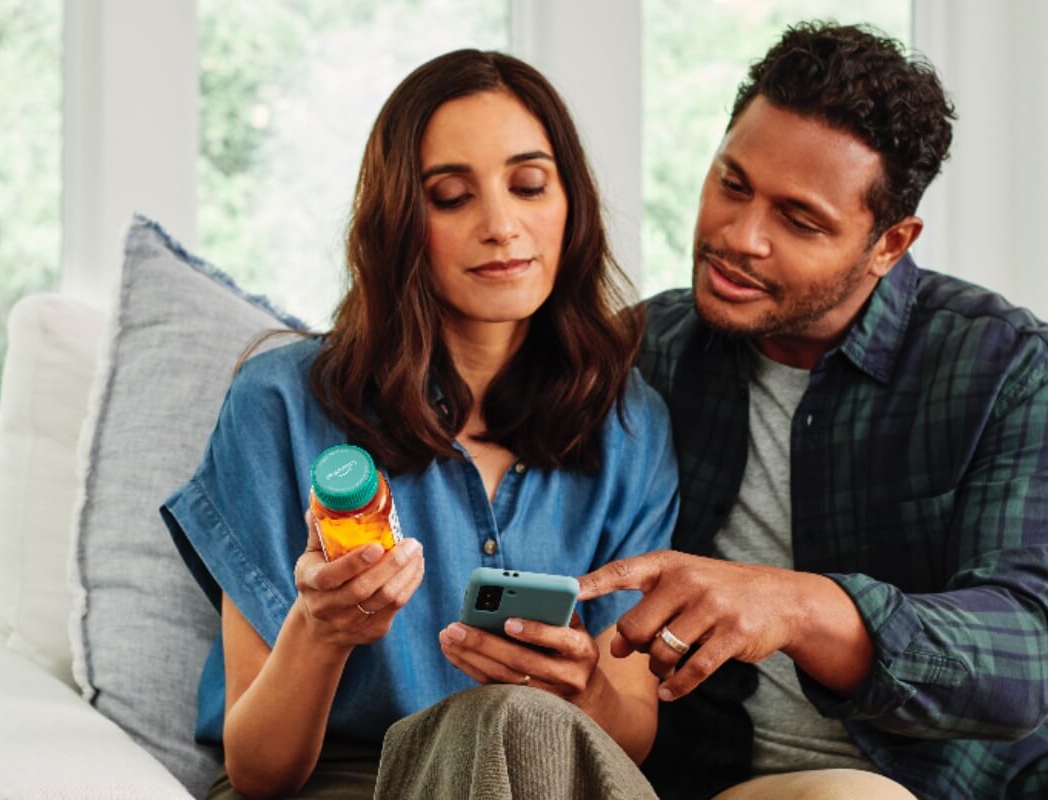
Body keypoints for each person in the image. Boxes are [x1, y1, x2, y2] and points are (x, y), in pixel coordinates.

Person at [573, 22, 1048, 799]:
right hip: (765, 783)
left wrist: (802, 607)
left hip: (1012, 780)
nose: (739, 237)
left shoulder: (1011, 369)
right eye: (732, 183)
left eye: (800, 220)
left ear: (891, 242)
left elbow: (1023, 654)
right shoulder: (636, 357)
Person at [161, 49, 678, 799]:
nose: (502, 226)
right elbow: (259, 772)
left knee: (518, 726)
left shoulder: (631, 425)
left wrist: (584, 689)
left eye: (529, 185)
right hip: (350, 786)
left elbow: (628, 736)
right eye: (451, 197)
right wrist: (323, 629)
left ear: (571, 204)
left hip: (554, 777)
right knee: (502, 722)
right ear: (402, 222)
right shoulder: (279, 406)